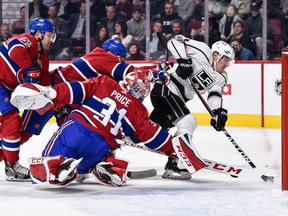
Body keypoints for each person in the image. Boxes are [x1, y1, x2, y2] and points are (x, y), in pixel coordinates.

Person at [11, 71, 206, 187]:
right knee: (81, 173)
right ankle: (102, 166)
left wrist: (52, 92)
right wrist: (175, 150)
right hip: (102, 145)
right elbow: (153, 136)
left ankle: (57, 168)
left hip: (77, 129)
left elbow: (75, 91)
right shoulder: (138, 109)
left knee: (47, 162)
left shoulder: (105, 83)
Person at [20, 39, 139, 146]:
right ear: (110, 52)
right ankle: (8, 157)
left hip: (64, 99)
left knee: (80, 129)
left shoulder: (103, 69)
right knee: (23, 133)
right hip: (52, 93)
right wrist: (151, 73)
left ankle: (93, 160)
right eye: (119, 58)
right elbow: (127, 71)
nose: (120, 61)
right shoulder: (102, 56)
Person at [149, 35, 235, 179]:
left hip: (175, 102)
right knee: (188, 121)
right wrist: (184, 61)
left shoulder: (221, 77)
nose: (226, 64)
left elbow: (214, 94)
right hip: (165, 89)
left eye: (229, 61)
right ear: (216, 55)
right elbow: (173, 42)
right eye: (225, 59)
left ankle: (173, 162)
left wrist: (217, 112)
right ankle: (179, 160)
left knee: (146, 132)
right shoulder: (202, 50)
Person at [0, 18, 56, 181]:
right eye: (49, 36)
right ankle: (11, 167)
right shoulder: (28, 40)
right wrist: (28, 69)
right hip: (2, 84)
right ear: (38, 34)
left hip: (7, 89)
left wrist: (53, 105)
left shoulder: (43, 59)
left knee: (17, 129)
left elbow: (44, 86)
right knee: (12, 119)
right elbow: (14, 50)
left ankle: (8, 160)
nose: (51, 40)